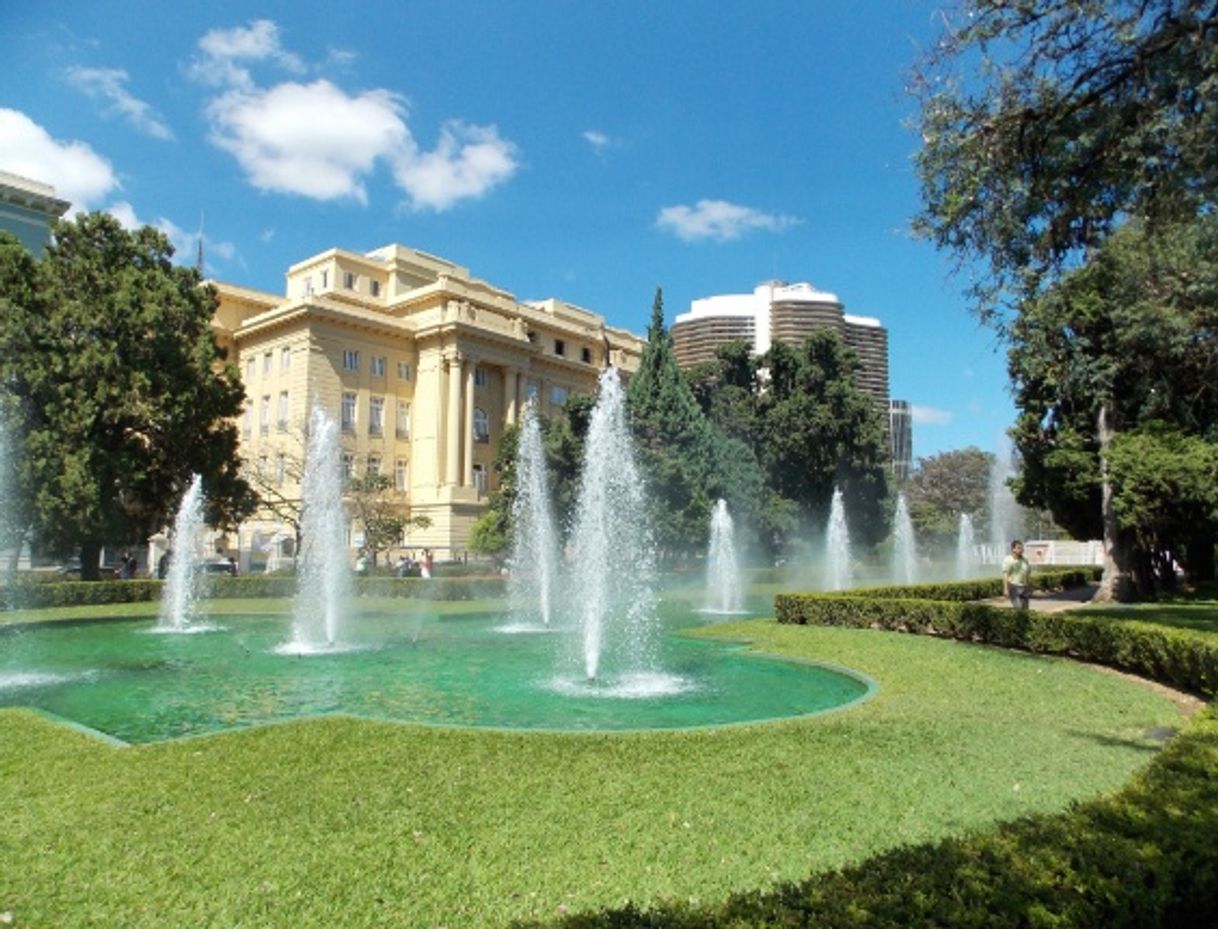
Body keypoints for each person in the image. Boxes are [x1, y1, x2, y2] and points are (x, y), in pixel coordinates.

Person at [1002, 539, 1031, 609]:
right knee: (1019, 607)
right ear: (1013, 549)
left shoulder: (1025, 560)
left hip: (1024, 587)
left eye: (1022, 548)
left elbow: (1027, 573)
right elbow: (1005, 575)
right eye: (1019, 548)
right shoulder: (1008, 560)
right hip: (1013, 586)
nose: (1021, 550)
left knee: (1025, 608)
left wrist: (1029, 586)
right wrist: (1005, 589)